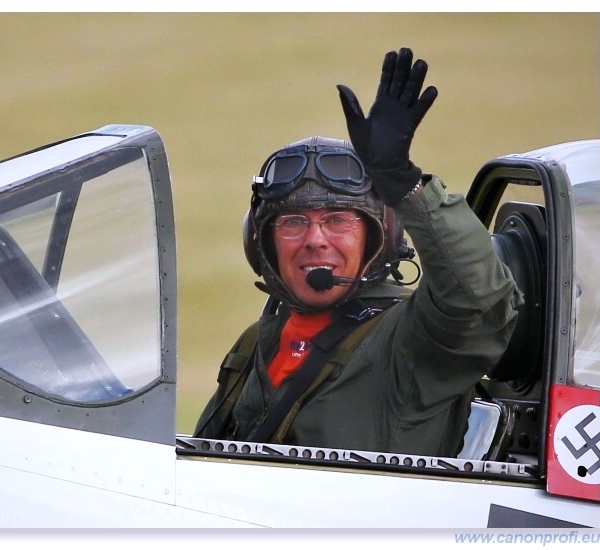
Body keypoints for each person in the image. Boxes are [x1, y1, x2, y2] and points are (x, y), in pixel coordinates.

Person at [193, 47, 523, 458]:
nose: (315, 239)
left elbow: (479, 299)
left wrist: (406, 186)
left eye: (337, 220)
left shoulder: (413, 342)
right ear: (261, 243)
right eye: (293, 222)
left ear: (376, 238)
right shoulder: (258, 343)